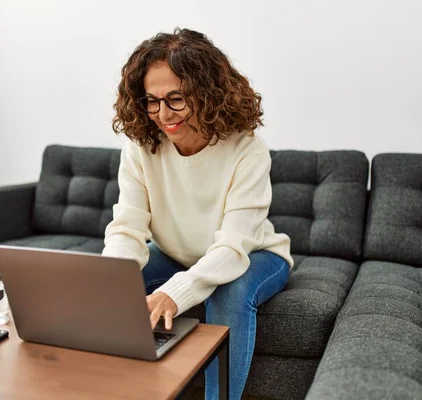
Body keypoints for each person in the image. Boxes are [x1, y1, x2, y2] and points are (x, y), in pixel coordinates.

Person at [102, 28, 293, 400]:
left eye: (176, 99)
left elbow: (233, 248)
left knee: (229, 294)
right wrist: (111, 280)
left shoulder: (247, 150)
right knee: (106, 292)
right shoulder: (141, 147)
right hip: (176, 254)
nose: (163, 115)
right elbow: (127, 228)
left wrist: (174, 294)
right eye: (152, 101)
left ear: (207, 95)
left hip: (253, 254)